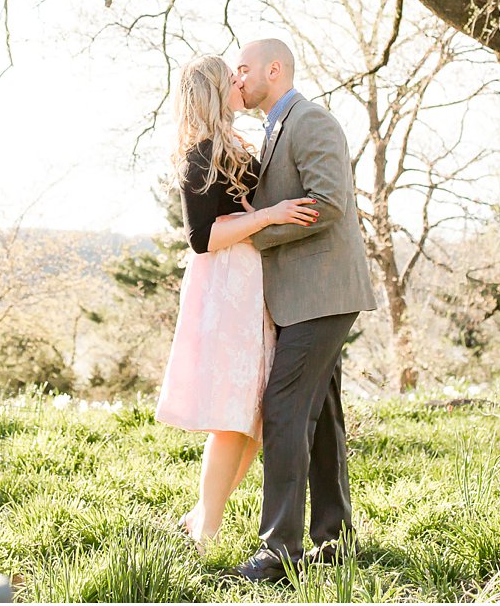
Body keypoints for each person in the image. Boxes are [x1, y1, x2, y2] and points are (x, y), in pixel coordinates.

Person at [154, 54, 319, 547]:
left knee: (253, 418)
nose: (240, 82)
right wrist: (269, 216)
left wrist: (264, 213)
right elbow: (202, 237)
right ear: (213, 90)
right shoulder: (199, 152)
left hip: (251, 285)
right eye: (232, 78)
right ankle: (206, 527)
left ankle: (203, 513)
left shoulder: (235, 144)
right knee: (234, 414)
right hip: (224, 288)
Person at [231, 38, 378, 583]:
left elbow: (328, 200)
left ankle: (279, 551)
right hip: (305, 298)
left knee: (285, 407)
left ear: (275, 69)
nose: (238, 79)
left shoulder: (311, 119)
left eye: (244, 69)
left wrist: (257, 232)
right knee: (321, 416)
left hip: (323, 294)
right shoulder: (273, 127)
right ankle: (334, 540)